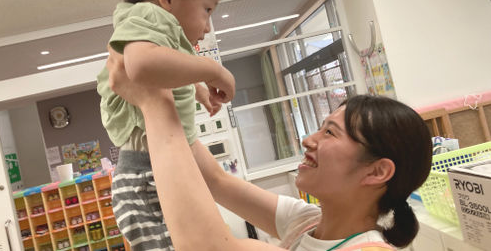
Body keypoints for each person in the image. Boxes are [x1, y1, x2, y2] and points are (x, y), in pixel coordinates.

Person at [105, 47, 433, 251]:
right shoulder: (305, 222)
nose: (309, 139)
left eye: (330, 133)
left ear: (377, 171)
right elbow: (217, 182)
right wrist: (177, 93)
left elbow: (205, 247)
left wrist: (154, 103)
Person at [96, 0, 235, 249]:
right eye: (207, 10)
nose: (207, 26)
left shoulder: (157, 30)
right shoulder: (148, 16)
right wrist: (211, 70)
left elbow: (162, 71)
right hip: (146, 176)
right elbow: (142, 66)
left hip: (153, 170)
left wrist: (198, 89)